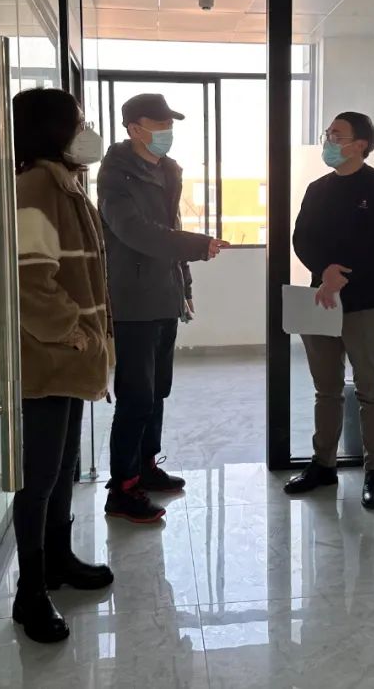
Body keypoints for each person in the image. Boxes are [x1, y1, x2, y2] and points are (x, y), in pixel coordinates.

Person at [0, 88, 114, 644]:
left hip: (67, 357)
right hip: (45, 356)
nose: (86, 132)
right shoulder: (37, 185)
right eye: (78, 122)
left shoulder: (63, 184)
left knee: (62, 467)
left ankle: (58, 560)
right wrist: (72, 330)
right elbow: (17, 277)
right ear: (52, 130)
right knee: (38, 477)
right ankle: (30, 591)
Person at [97, 93, 229, 523]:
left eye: (170, 124)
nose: (167, 132)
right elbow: (134, 231)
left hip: (164, 294)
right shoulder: (115, 174)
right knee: (135, 396)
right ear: (135, 129)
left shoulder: (168, 170)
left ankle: (146, 466)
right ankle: (123, 488)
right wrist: (197, 246)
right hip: (132, 298)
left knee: (157, 391)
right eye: (159, 124)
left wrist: (184, 284)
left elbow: (169, 228)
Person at [284, 112, 374, 510]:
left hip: (365, 301)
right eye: (328, 134)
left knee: (370, 389)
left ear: (360, 144)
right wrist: (325, 271)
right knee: (326, 389)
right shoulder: (317, 188)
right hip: (321, 300)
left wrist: (339, 275)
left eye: (337, 135)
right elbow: (301, 238)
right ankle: (323, 464)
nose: (329, 140)